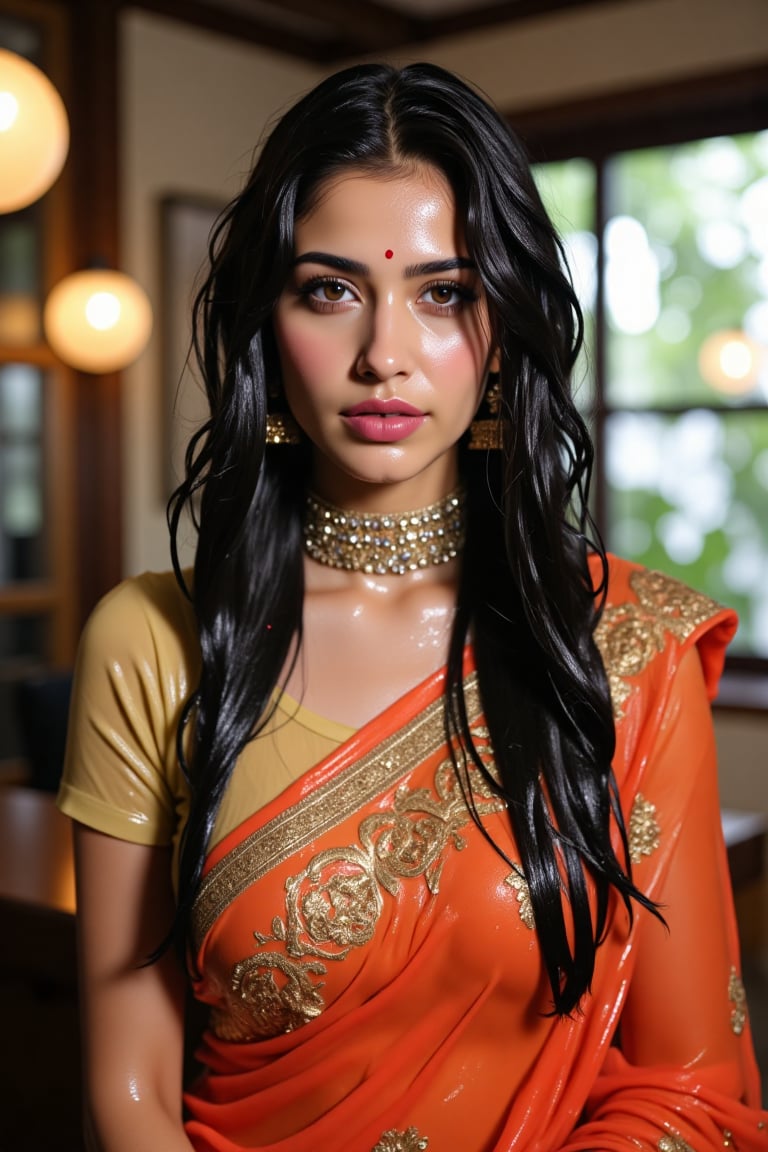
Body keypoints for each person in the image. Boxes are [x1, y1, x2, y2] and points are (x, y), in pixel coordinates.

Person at [57, 61, 767, 1152]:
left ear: (501, 331)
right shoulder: (153, 641)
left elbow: (689, 1082)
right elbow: (133, 1086)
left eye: (445, 294)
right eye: (330, 290)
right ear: (269, 319)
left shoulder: (620, 646)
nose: (384, 355)